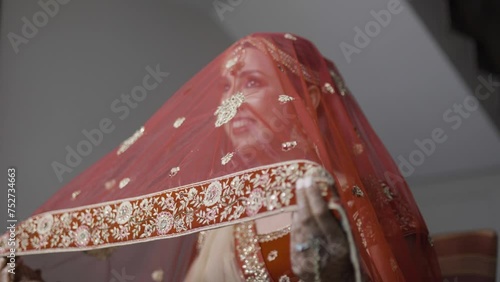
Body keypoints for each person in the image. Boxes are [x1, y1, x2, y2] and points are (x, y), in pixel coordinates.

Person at [0, 33, 442, 281]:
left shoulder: (355, 200)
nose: (229, 105)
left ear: (304, 96)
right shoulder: (230, 212)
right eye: (227, 88)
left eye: (250, 82)